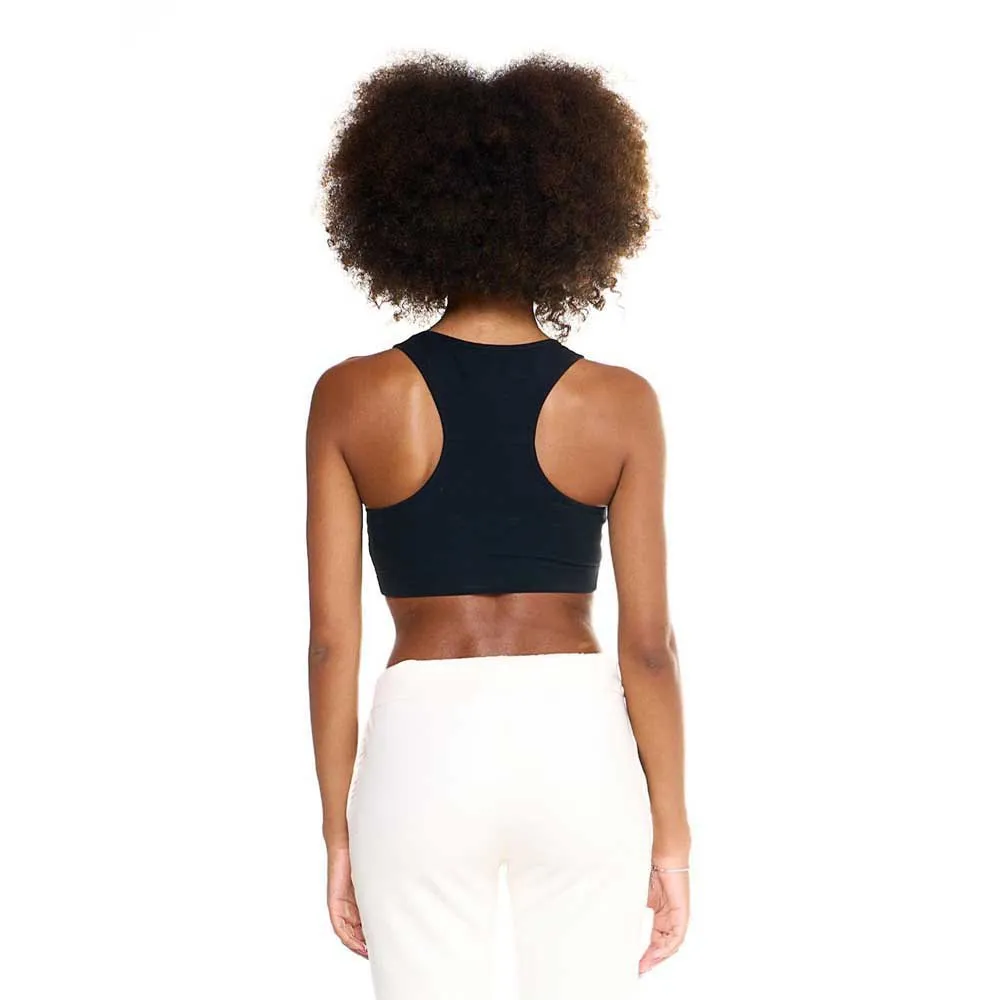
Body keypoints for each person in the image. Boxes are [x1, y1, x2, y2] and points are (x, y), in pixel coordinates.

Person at [306, 51, 690, 1000]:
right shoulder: (620, 403)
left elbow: (330, 644)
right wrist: (672, 838)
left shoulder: (350, 396)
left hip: (421, 742)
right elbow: (649, 648)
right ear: (575, 215)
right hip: (576, 737)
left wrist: (338, 832)